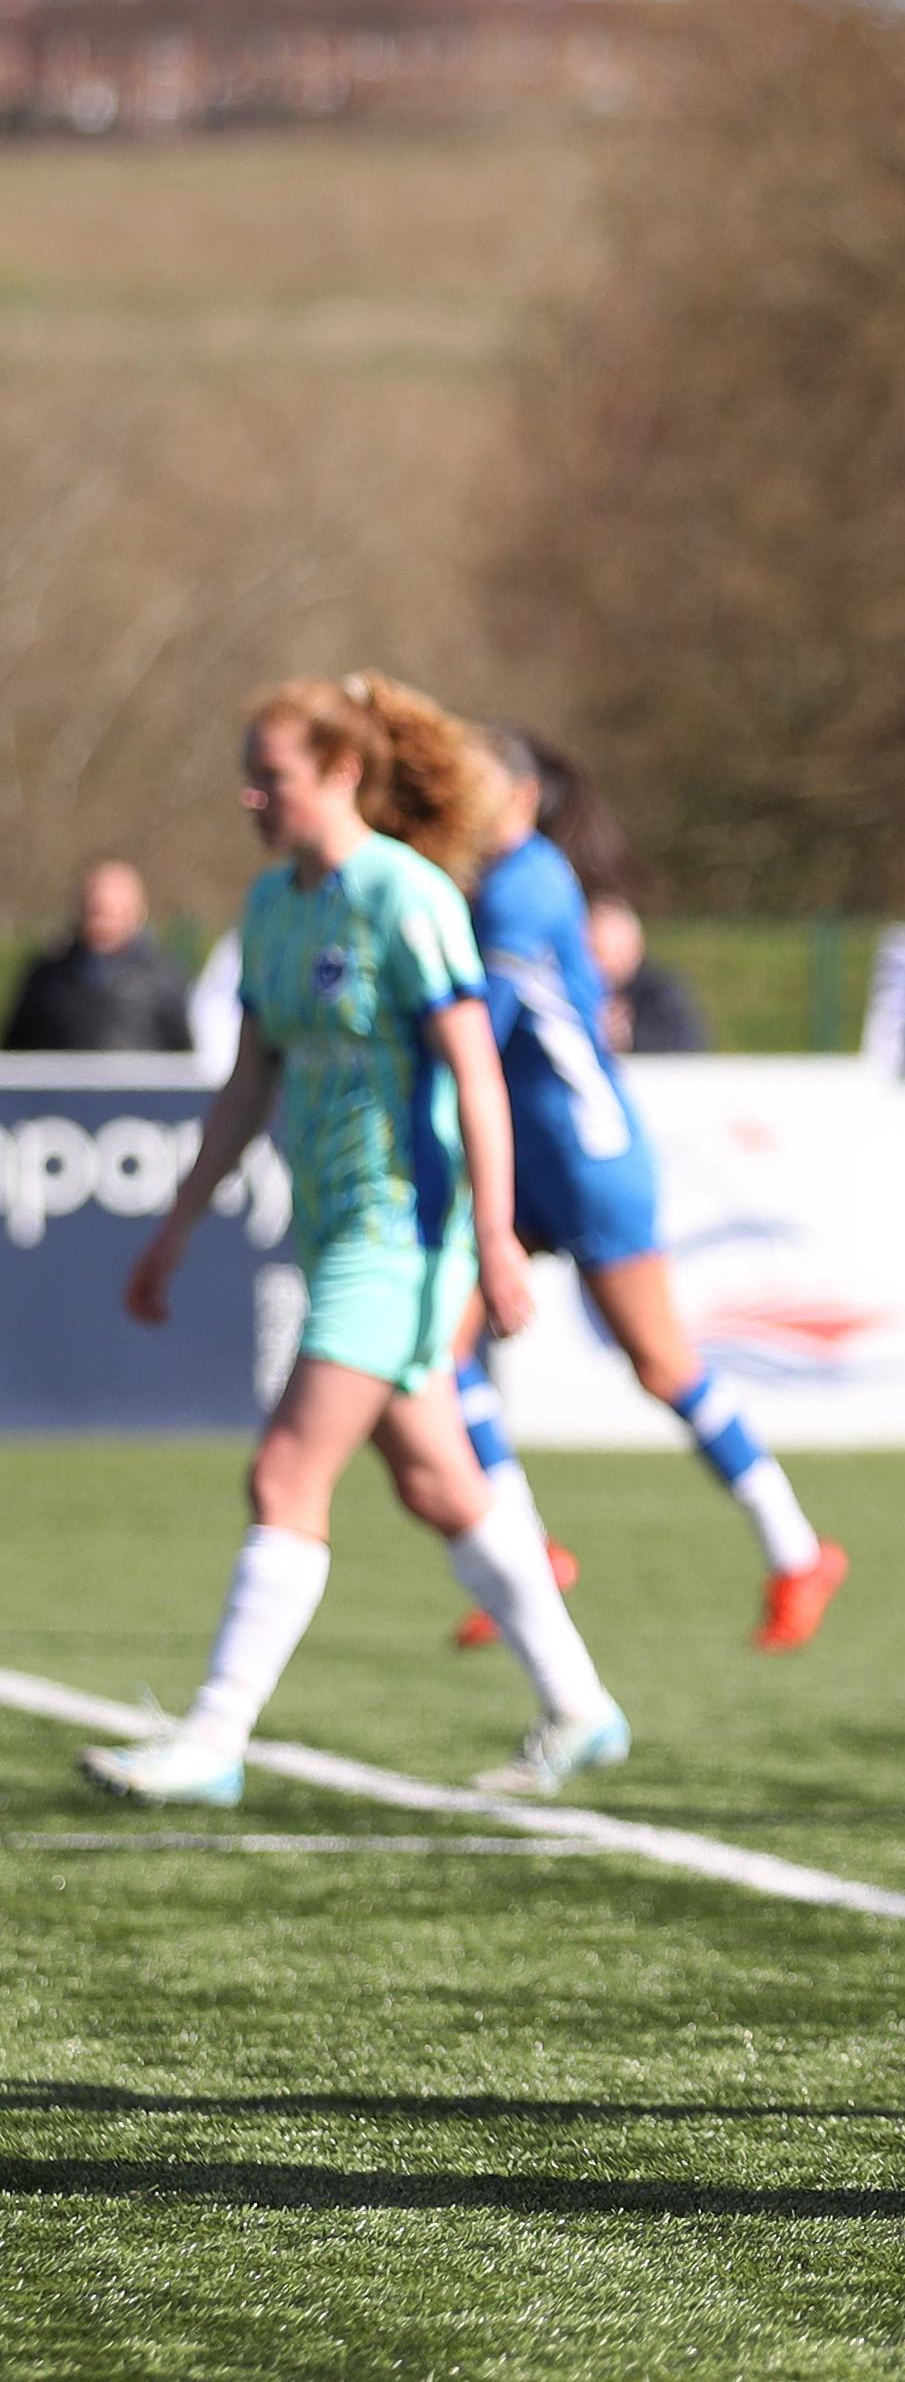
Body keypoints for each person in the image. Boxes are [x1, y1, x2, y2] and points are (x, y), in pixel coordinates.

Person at [79, 674, 626, 1808]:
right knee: (438, 1482)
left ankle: (213, 1737)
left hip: (399, 1234)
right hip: (332, 1231)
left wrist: (492, 1234)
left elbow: (476, 1071)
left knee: (286, 1470)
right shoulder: (272, 906)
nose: (249, 795)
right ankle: (581, 1707)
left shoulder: (405, 895)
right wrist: (175, 1229)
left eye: (269, 776)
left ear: (340, 773)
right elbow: (247, 1085)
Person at [445, 732, 848, 1656]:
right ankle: (525, 1551)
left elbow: (482, 1025)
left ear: (519, 797)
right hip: (529, 1153)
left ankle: (797, 1552)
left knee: (664, 1364)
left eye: (473, 783)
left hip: (585, 1153)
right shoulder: (492, 882)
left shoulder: (523, 883)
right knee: (441, 1351)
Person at [7, 858, 191, 1052]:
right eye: (95, 908)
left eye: (110, 910)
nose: (101, 917)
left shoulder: (163, 979)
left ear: (136, 911)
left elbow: (184, 1052)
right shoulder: (47, 979)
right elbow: (18, 1049)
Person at [586, 897, 710, 1054]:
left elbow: (688, 1045)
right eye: (595, 951)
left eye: (616, 950)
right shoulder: (575, 990)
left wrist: (631, 1039)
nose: (605, 962)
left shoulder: (661, 995)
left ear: (637, 948)